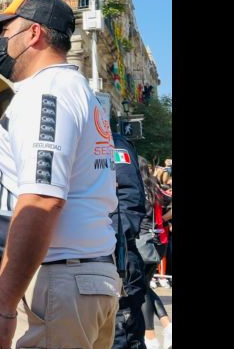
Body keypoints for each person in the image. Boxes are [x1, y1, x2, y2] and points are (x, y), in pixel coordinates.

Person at [0, 0, 121, 349]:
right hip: (79, 278)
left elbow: (42, 200)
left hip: (60, 280)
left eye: (6, 32)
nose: (1, 42)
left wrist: (3, 306)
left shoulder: (46, 94)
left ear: (34, 34)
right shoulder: (72, 89)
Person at [110, 133, 147, 349]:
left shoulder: (112, 143)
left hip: (116, 257)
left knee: (121, 336)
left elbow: (129, 199)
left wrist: (109, 240)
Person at [138, 158, 172, 349]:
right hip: (159, 242)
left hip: (144, 243)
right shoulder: (155, 188)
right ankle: (166, 327)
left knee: (142, 288)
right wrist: (163, 222)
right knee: (145, 287)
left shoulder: (137, 189)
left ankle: (150, 337)